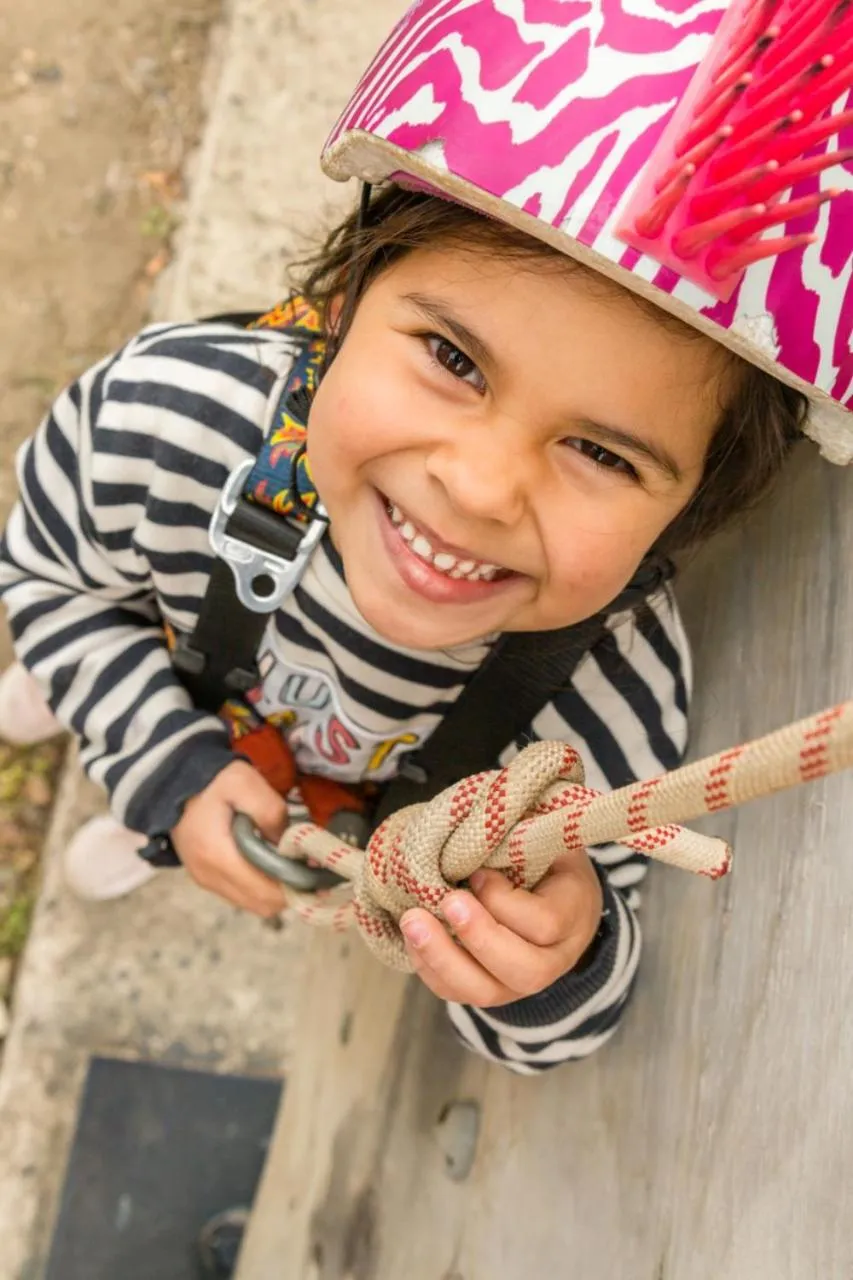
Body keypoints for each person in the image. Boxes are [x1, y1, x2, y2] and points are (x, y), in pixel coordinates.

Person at [0, 0, 850, 1089]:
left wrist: (549, 961)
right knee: (133, 731)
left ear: (686, 512)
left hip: (340, 811)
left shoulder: (605, 707)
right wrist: (166, 766)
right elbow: (50, 577)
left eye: (600, 452)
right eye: (452, 359)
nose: (479, 488)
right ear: (345, 296)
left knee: (198, 795)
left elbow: (558, 1033)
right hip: (181, 679)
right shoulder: (168, 422)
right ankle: (134, 771)